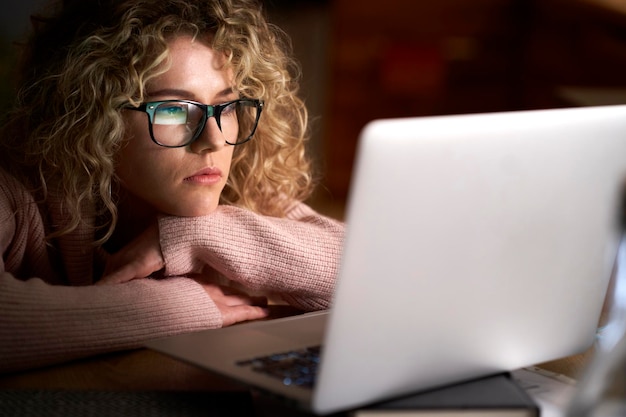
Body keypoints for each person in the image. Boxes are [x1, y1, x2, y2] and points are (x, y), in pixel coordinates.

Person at [0, 0, 344, 373]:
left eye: (226, 108)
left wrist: (203, 232)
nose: (213, 140)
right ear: (89, 118)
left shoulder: (240, 188)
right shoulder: (14, 189)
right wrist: (180, 306)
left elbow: (388, 276)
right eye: (173, 109)